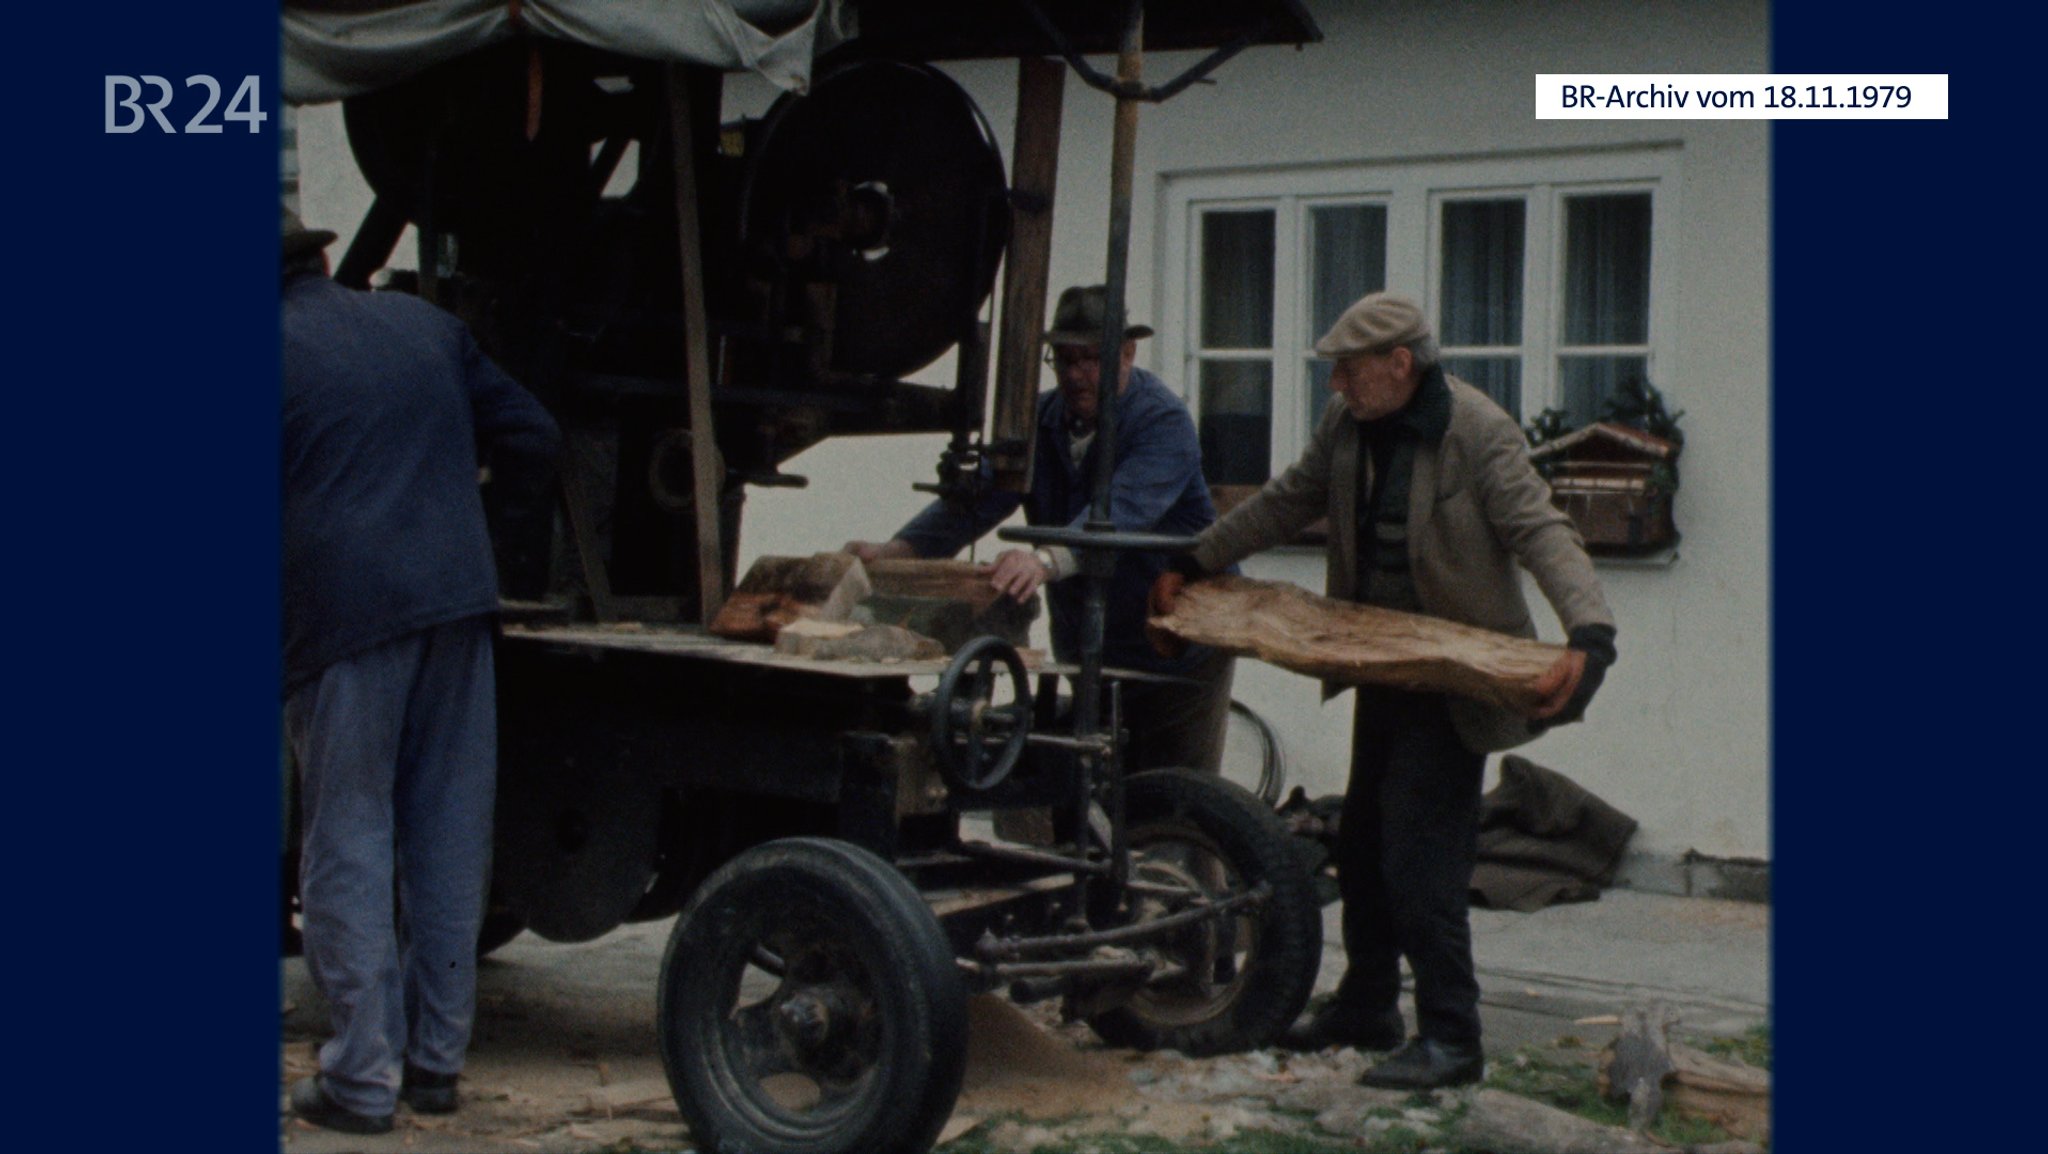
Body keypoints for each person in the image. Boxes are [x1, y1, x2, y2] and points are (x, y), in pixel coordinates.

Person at [1151, 292, 1617, 1090]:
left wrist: (1590, 633)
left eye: (1347, 369)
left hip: (1450, 680)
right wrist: (1197, 560)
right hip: (1378, 669)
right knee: (1362, 843)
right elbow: (1284, 499)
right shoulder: (1347, 428)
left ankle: (1453, 1035)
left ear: (1400, 364)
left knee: (1420, 858)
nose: (1335, 384)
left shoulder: (1476, 431)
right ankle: (1368, 1006)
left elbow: (1543, 530)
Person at [282, 208, 561, 1133]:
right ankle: (435, 1067)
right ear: (321, 257)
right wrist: (493, 539)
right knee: (447, 833)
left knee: (347, 841)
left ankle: (361, 1081)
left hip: (345, 624)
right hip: (458, 604)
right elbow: (536, 439)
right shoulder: (423, 327)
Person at [845, 283, 1235, 778]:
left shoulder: (1162, 421)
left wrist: (1044, 560)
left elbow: (1121, 512)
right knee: (1092, 792)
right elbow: (983, 496)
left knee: (1173, 799)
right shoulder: (1041, 418)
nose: (1076, 375)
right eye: (1065, 360)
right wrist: (900, 549)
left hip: (1178, 644)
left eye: (1091, 359)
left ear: (1128, 351)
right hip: (1092, 646)